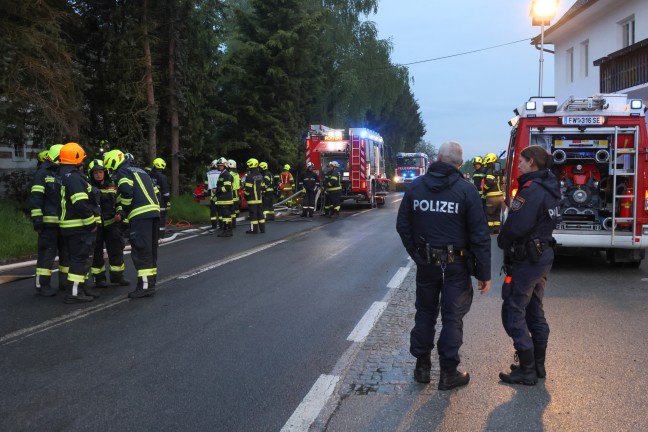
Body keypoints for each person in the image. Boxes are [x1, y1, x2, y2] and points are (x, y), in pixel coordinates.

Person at [396, 140, 491, 391]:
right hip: (456, 265)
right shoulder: (467, 190)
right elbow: (479, 235)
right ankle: (448, 373)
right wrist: (484, 273)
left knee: (425, 312)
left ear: (437, 158)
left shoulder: (416, 187)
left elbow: (403, 226)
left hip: (427, 263)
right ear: (459, 164)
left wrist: (416, 253)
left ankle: (422, 367)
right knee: (452, 317)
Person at [497, 145, 560, 386]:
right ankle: (538, 365)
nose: (519, 165)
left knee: (514, 309)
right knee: (534, 310)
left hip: (527, 260)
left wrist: (503, 241)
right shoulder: (551, 187)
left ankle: (527, 369)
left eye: (522, 161)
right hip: (542, 256)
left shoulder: (531, 191)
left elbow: (515, 226)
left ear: (532, 162)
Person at [104, 149, 160, 298]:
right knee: (150, 250)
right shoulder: (141, 170)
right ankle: (151, 283)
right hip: (154, 213)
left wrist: (125, 211)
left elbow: (127, 192)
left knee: (141, 251)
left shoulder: (123, 171)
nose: (111, 171)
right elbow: (156, 191)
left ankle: (145, 286)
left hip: (140, 214)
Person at [58, 143, 102, 304]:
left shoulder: (65, 177)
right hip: (79, 227)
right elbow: (81, 205)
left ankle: (82, 288)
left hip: (71, 226)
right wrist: (91, 224)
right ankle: (74, 292)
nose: (83, 163)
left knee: (82, 259)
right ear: (76, 160)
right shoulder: (75, 179)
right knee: (80, 260)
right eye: (81, 160)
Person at [29, 144, 68, 296]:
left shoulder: (62, 173)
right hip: (48, 223)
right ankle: (42, 285)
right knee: (47, 254)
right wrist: (37, 218)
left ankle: (65, 283)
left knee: (66, 254)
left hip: (64, 222)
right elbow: (36, 196)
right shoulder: (43, 173)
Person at [87, 159, 130, 288]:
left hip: (112, 224)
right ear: (91, 174)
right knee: (96, 253)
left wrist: (120, 214)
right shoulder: (88, 187)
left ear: (105, 172)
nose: (98, 175)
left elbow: (119, 203)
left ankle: (117, 277)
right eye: (95, 173)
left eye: (100, 172)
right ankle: (99, 279)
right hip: (96, 226)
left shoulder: (113, 186)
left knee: (116, 250)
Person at [149, 157, 171, 239]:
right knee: (161, 219)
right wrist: (168, 201)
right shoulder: (162, 177)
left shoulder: (148, 175)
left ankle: (152, 235)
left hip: (150, 201)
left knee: (152, 219)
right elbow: (165, 192)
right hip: (160, 201)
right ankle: (160, 236)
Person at [482, 152, 505, 232]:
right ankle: (496, 230)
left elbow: (489, 182)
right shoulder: (497, 168)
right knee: (497, 215)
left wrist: (484, 189)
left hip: (492, 196)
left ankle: (490, 231)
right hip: (500, 196)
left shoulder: (490, 169)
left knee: (490, 214)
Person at [244, 158, 266, 234]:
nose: (248, 167)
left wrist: (245, 196)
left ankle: (254, 230)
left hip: (252, 199)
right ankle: (262, 229)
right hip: (259, 199)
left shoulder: (249, 176)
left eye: (248, 166)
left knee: (253, 215)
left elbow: (248, 189)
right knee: (260, 214)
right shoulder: (260, 175)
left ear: (251, 165)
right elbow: (263, 187)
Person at [214, 157, 234, 237]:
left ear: (225, 165)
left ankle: (227, 231)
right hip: (222, 199)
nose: (219, 167)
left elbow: (227, 188)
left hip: (225, 199)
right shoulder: (222, 174)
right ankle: (227, 230)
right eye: (218, 165)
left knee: (226, 216)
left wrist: (217, 190)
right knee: (225, 216)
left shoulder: (226, 175)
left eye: (221, 165)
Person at [206, 159, 221, 231]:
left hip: (211, 195)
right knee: (221, 209)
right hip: (220, 194)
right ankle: (221, 225)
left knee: (213, 210)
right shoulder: (221, 173)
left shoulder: (208, 174)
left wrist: (206, 196)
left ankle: (214, 226)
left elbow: (206, 185)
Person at [228, 159, 241, 228]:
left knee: (231, 207)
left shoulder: (230, 174)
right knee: (235, 207)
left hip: (231, 192)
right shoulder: (236, 173)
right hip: (236, 191)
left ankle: (232, 222)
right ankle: (236, 219)